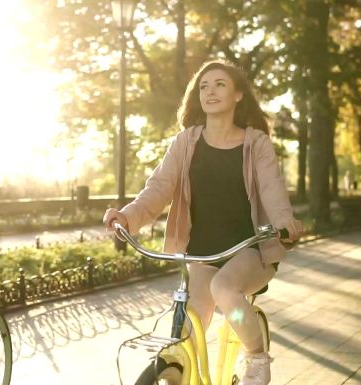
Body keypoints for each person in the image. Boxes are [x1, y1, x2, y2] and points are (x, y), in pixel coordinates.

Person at [103, 60, 304, 385]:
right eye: (204, 86)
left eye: (220, 84)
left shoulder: (256, 145)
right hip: (201, 255)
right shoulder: (185, 142)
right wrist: (127, 216)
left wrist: (286, 225)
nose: (210, 91)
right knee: (186, 332)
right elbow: (158, 188)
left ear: (238, 94)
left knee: (224, 290)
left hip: (250, 251)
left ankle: (256, 356)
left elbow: (272, 190)